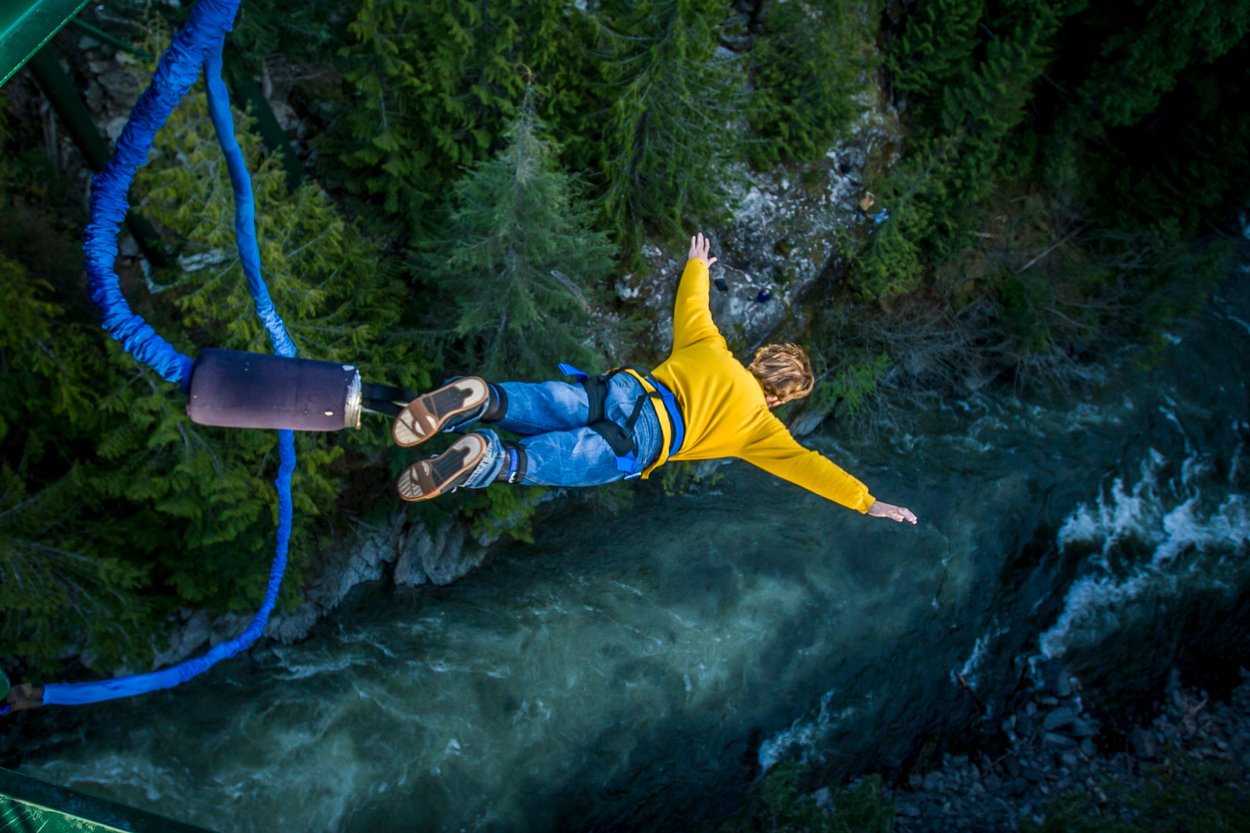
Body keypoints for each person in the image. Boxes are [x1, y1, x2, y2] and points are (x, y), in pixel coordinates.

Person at [392, 233, 917, 525]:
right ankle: (489, 457)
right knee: (550, 461)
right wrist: (867, 501)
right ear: (778, 398)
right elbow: (809, 468)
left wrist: (698, 265)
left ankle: (484, 397)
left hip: (625, 390)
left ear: (758, 359)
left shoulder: (710, 347)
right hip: (645, 440)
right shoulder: (760, 428)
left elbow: (693, 304)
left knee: (553, 402)